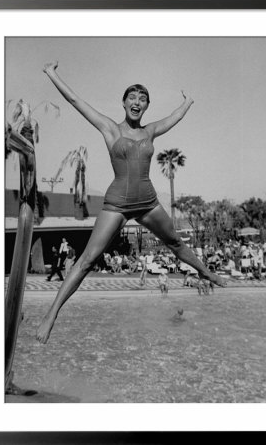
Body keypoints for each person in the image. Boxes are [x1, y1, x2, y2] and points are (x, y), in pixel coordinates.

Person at [36, 61, 227, 344]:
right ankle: (51, 314)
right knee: (88, 260)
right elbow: (76, 100)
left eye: (143, 99)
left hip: (148, 201)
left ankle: (205, 272)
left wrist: (188, 102)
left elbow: (173, 118)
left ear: (146, 106)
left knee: (175, 242)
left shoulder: (150, 131)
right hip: (117, 204)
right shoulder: (110, 128)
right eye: (132, 98)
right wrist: (52, 73)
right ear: (123, 102)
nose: (137, 102)